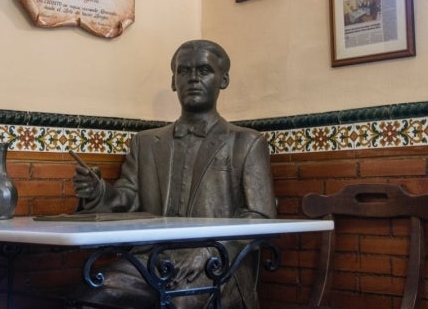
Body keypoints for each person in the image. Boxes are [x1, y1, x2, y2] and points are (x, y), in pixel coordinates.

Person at [70, 39, 277, 308]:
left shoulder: (247, 143)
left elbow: (260, 216)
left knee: (179, 303)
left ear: (223, 80)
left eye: (204, 71)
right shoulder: (145, 143)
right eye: (183, 71)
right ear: (173, 81)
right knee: (88, 297)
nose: (192, 78)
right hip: (150, 260)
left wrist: (209, 250)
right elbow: (129, 198)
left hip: (216, 263)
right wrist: (98, 192)